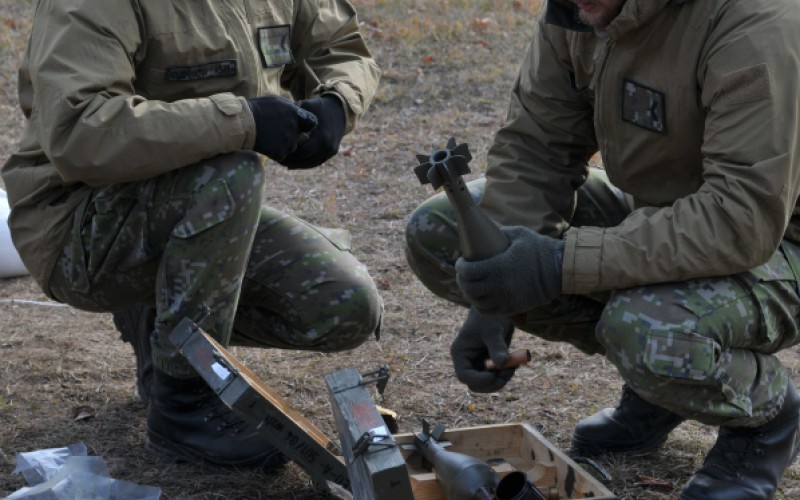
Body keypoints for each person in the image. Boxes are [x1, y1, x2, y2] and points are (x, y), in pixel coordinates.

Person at [404, 0, 800, 498]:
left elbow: (741, 217)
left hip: (778, 240)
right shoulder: (578, 10)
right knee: (442, 229)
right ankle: (659, 391)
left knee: (647, 327)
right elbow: (537, 146)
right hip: (662, 214)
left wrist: (558, 262)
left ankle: (766, 420)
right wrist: (497, 295)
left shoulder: (754, 20)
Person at [2, 0, 382, 470]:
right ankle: (184, 407)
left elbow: (339, 46)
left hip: (199, 208)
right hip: (79, 224)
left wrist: (337, 103)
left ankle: (159, 325)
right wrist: (244, 122)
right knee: (229, 174)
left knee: (343, 306)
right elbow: (80, 131)